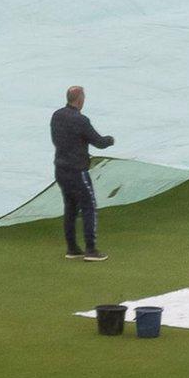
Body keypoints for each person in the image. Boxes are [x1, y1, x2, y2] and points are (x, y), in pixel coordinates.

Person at [51, 85, 115, 261]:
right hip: (77, 171)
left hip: (60, 169)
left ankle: (72, 248)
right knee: (89, 206)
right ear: (79, 99)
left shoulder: (57, 116)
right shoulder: (81, 120)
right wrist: (110, 140)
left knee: (70, 207)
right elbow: (99, 142)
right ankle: (91, 249)